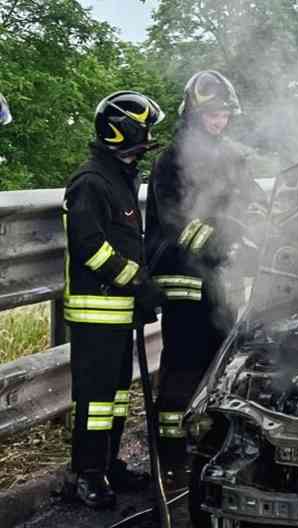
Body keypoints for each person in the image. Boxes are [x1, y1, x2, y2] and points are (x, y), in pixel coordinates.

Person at [146, 70, 267, 485]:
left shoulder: (234, 156)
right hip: (184, 282)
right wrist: (224, 234)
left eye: (225, 115)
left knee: (224, 368)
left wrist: (254, 233)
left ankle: (212, 447)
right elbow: (176, 224)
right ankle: (171, 458)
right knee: (182, 369)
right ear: (194, 115)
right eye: (213, 115)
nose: (220, 122)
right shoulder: (172, 160)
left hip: (223, 283)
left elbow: (255, 204)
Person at [62, 90, 166, 508]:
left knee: (117, 396)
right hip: (96, 313)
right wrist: (137, 279)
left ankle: (109, 463)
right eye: (143, 128)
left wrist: (138, 288)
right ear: (122, 131)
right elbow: (91, 248)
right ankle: (87, 475)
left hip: (119, 310)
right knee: (95, 400)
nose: (148, 135)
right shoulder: (91, 183)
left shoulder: (121, 178)